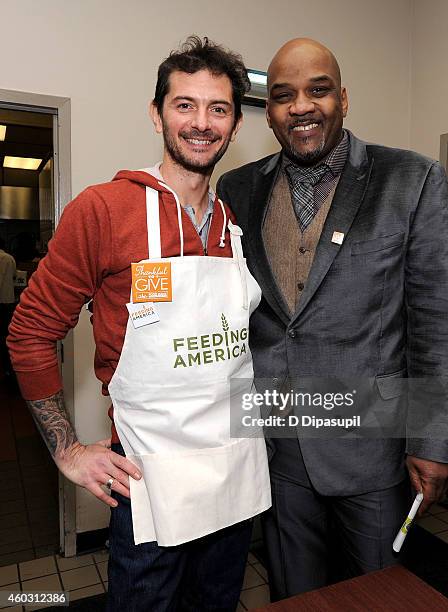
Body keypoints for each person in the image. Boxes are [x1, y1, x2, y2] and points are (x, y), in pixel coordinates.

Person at [8, 36, 270, 612]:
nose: (201, 123)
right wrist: (67, 449)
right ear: (157, 115)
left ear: (232, 124)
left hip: (233, 477)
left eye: (218, 109)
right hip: (149, 482)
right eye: (185, 105)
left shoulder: (233, 224)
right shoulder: (104, 210)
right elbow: (29, 332)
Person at [217, 38, 448, 600]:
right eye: (283, 96)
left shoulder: (411, 179)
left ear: (344, 98)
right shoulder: (238, 188)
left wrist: (434, 440)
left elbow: (439, 320)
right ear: (270, 112)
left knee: (379, 593)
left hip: (371, 449)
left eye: (318, 90)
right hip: (276, 445)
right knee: (293, 591)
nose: (301, 106)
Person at [0, 236, 16, 378]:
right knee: (6, 334)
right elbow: (14, 276)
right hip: (7, 300)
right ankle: (8, 367)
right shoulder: (9, 258)